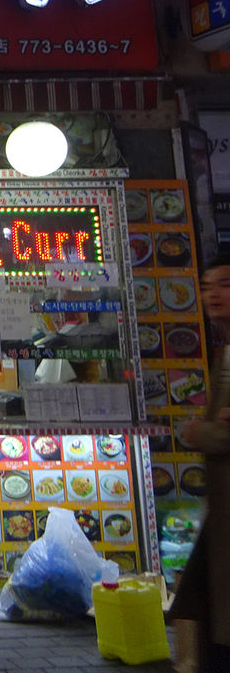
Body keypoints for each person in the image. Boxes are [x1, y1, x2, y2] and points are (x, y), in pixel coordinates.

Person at [170, 255, 230, 671]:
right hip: (220, 507)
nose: (212, 295)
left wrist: (202, 432)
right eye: (207, 286)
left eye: (224, 284)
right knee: (202, 602)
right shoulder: (224, 350)